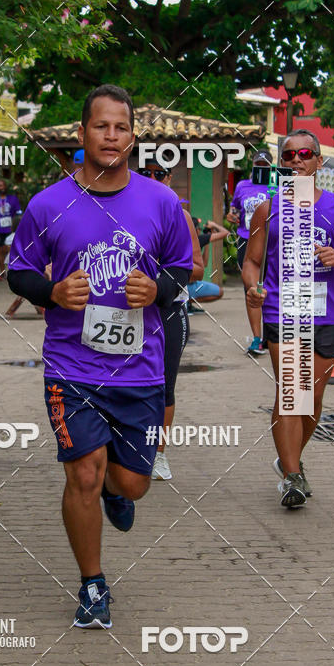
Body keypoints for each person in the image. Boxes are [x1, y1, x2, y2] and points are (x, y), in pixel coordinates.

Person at [7, 84, 193, 628]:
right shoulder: (48, 204)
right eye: (101, 126)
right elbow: (19, 272)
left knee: (132, 483)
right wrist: (52, 292)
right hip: (72, 367)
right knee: (83, 475)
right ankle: (92, 584)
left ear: (133, 137)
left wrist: (156, 289)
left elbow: (181, 270)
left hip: (139, 370)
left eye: (121, 127)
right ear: (82, 133)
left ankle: (119, 488)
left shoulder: (160, 202)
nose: (111, 136)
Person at [243, 129, 334, 508]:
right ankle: (292, 475)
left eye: (305, 154)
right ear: (281, 163)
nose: (297, 160)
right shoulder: (268, 210)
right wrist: (252, 287)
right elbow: (252, 261)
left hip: (324, 313)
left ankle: (290, 461)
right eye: (289, 155)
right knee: (292, 391)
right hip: (281, 309)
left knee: (312, 398)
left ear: (318, 160)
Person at [135, 160, 204, 482]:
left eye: (159, 173)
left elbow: (197, 268)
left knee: (164, 384)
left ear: (169, 177)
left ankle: (158, 454)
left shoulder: (180, 215)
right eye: (145, 173)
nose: (152, 178)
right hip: (126, 309)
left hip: (167, 310)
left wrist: (164, 271)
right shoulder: (121, 211)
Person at [227, 150, 272, 356]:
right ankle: (256, 338)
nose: (261, 169)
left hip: (271, 242)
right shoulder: (242, 186)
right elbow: (234, 208)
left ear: (271, 167)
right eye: (258, 165)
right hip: (246, 240)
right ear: (252, 165)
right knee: (251, 289)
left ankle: (271, 334)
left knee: (271, 288)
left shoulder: (277, 186)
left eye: (265, 166)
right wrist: (232, 215)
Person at [187, 218, 230, 305]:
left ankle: (187, 302)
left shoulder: (182, 239)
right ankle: (187, 301)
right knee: (219, 292)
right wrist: (214, 224)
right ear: (196, 230)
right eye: (199, 228)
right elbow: (226, 233)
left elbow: (204, 263)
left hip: (181, 284)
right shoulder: (198, 239)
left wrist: (206, 242)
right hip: (187, 285)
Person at [0, 180, 23, 276]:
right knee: (0, 252)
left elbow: (18, 213)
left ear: (6, 187)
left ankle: (15, 271)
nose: (2, 187)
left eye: (3, 185)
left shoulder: (13, 199)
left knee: (13, 251)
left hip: (11, 230)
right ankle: (2, 273)